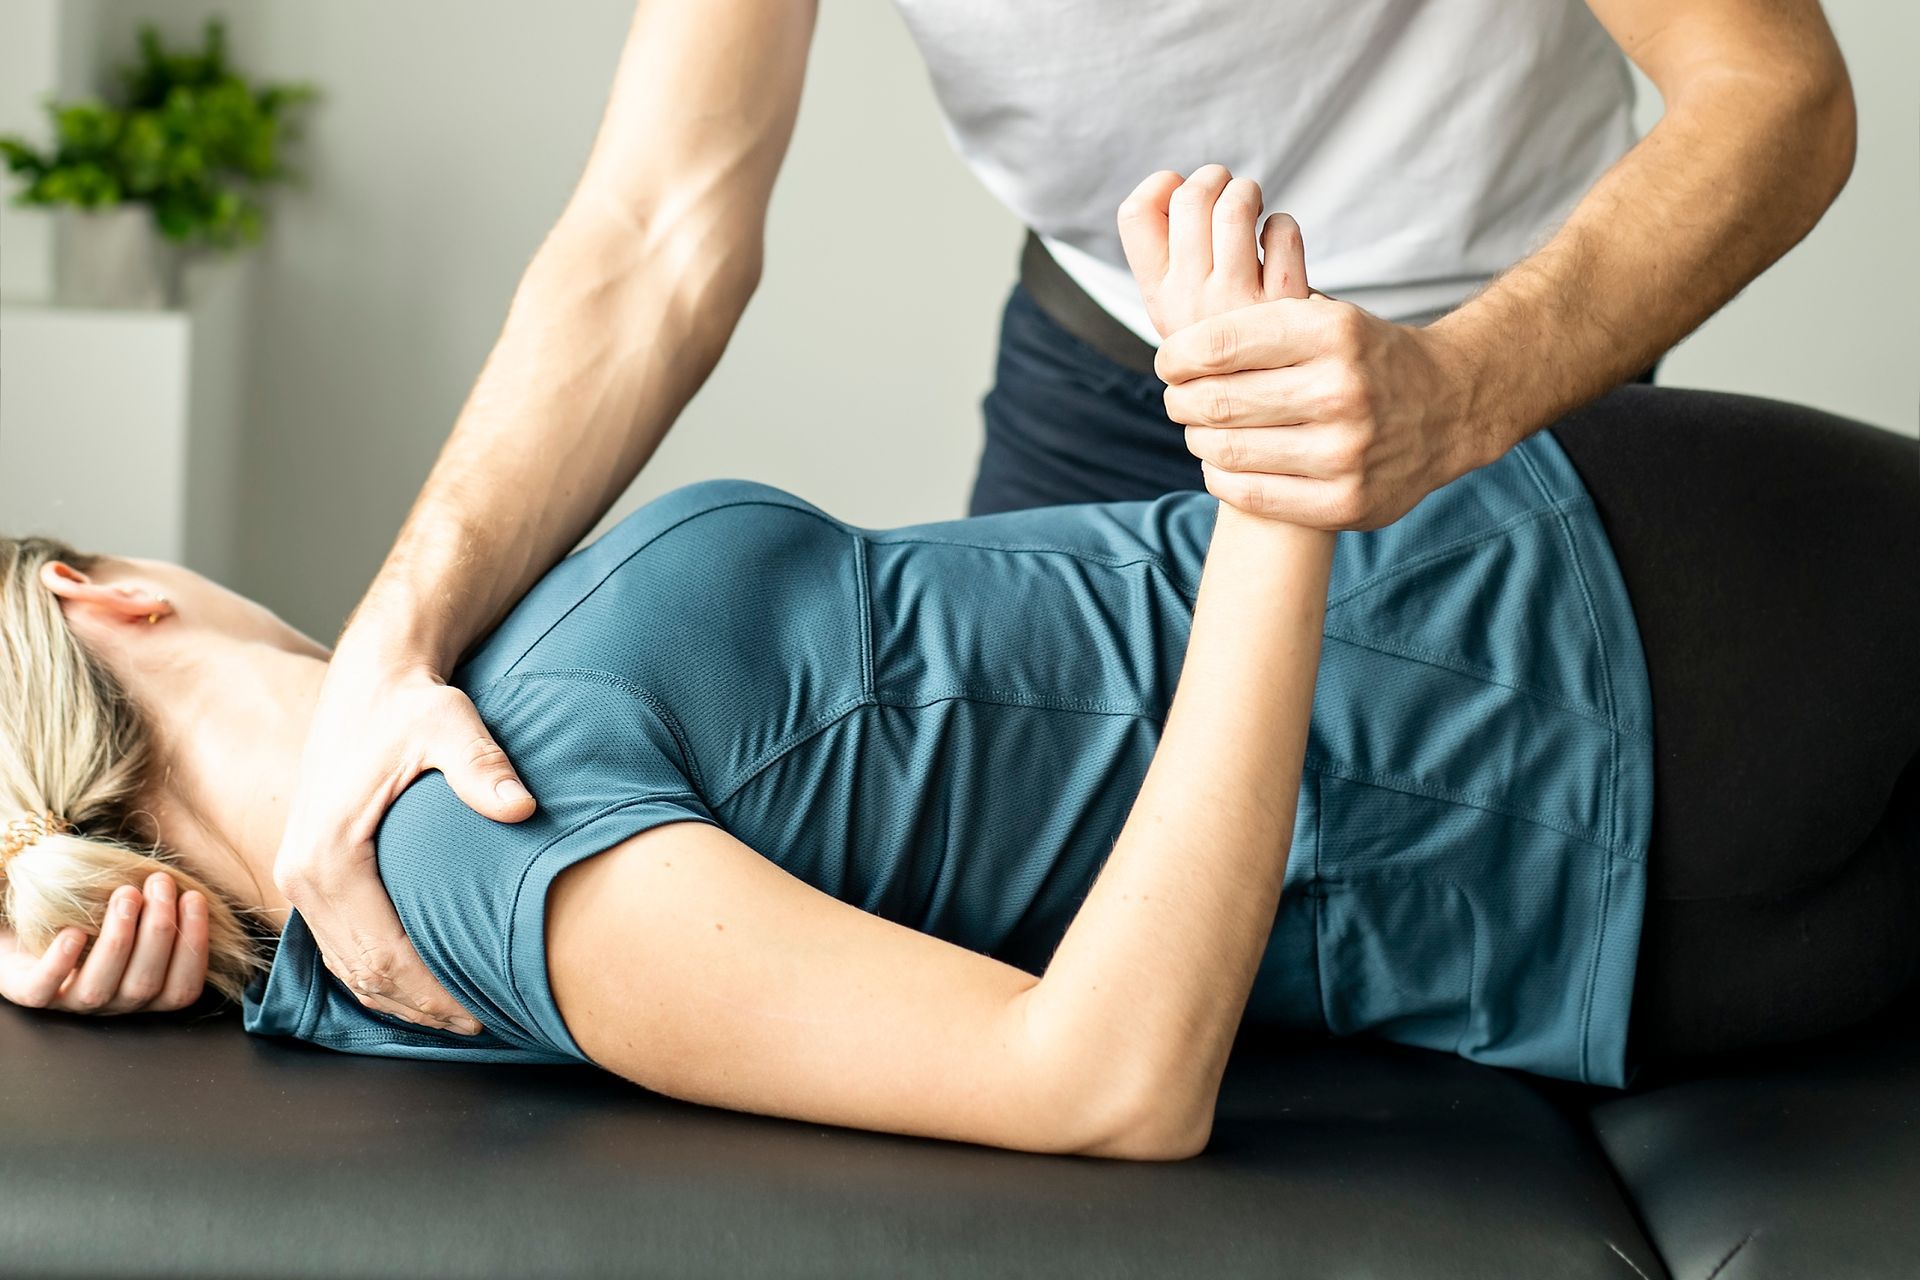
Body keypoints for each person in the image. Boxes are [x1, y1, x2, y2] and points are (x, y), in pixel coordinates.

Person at [2, 180, 1915, 1159]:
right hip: (1618, 631)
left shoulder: (378, 931)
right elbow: (1103, 1084)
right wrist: (1263, 480)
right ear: (108, 599)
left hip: (1590, 842)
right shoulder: (465, 852)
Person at [246, 0, 1854, 1035]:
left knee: (1491, 898)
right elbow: (660, 227)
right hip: (1112, 364)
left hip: (1490, 343)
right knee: (1061, 957)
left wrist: (1466, 387)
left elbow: (1775, 88)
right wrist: (391, 642)